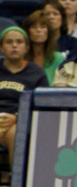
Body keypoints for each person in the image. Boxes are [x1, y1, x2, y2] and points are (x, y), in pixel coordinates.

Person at [0, 26, 49, 164]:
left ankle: (16, 182)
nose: (14, 46)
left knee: (16, 134)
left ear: (26, 47)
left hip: (20, 123)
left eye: (19, 42)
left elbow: (42, 106)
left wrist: (17, 117)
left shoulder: (36, 73)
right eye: (9, 42)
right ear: (1, 48)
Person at [22, 8, 66, 85]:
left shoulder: (58, 58)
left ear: (48, 31)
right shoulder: (21, 57)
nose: (38, 30)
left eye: (42, 27)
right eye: (34, 27)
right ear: (28, 31)